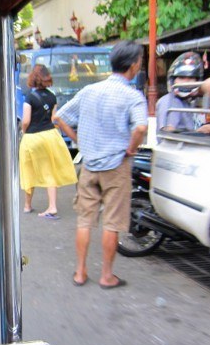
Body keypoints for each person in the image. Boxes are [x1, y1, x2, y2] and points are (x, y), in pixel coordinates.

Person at [55, 40, 148, 289]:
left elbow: (59, 117)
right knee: (112, 222)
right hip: (116, 166)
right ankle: (107, 276)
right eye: (140, 60)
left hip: (89, 165)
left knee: (85, 220)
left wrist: (78, 140)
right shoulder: (133, 96)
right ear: (133, 64)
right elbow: (140, 127)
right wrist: (131, 148)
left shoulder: (89, 91)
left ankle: (80, 272)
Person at [19, 64, 77, 218]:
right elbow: (53, 118)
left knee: (28, 169)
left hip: (32, 137)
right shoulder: (52, 97)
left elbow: (25, 121)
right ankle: (52, 206)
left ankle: (27, 205)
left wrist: (24, 132)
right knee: (49, 170)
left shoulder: (30, 98)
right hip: (50, 136)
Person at [156, 52, 206, 133]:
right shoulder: (169, 101)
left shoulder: (188, 102)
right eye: (181, 77)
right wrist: (198, 132)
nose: (185, 82)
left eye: (191, 78)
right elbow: (168, 132)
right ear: (173, 80)